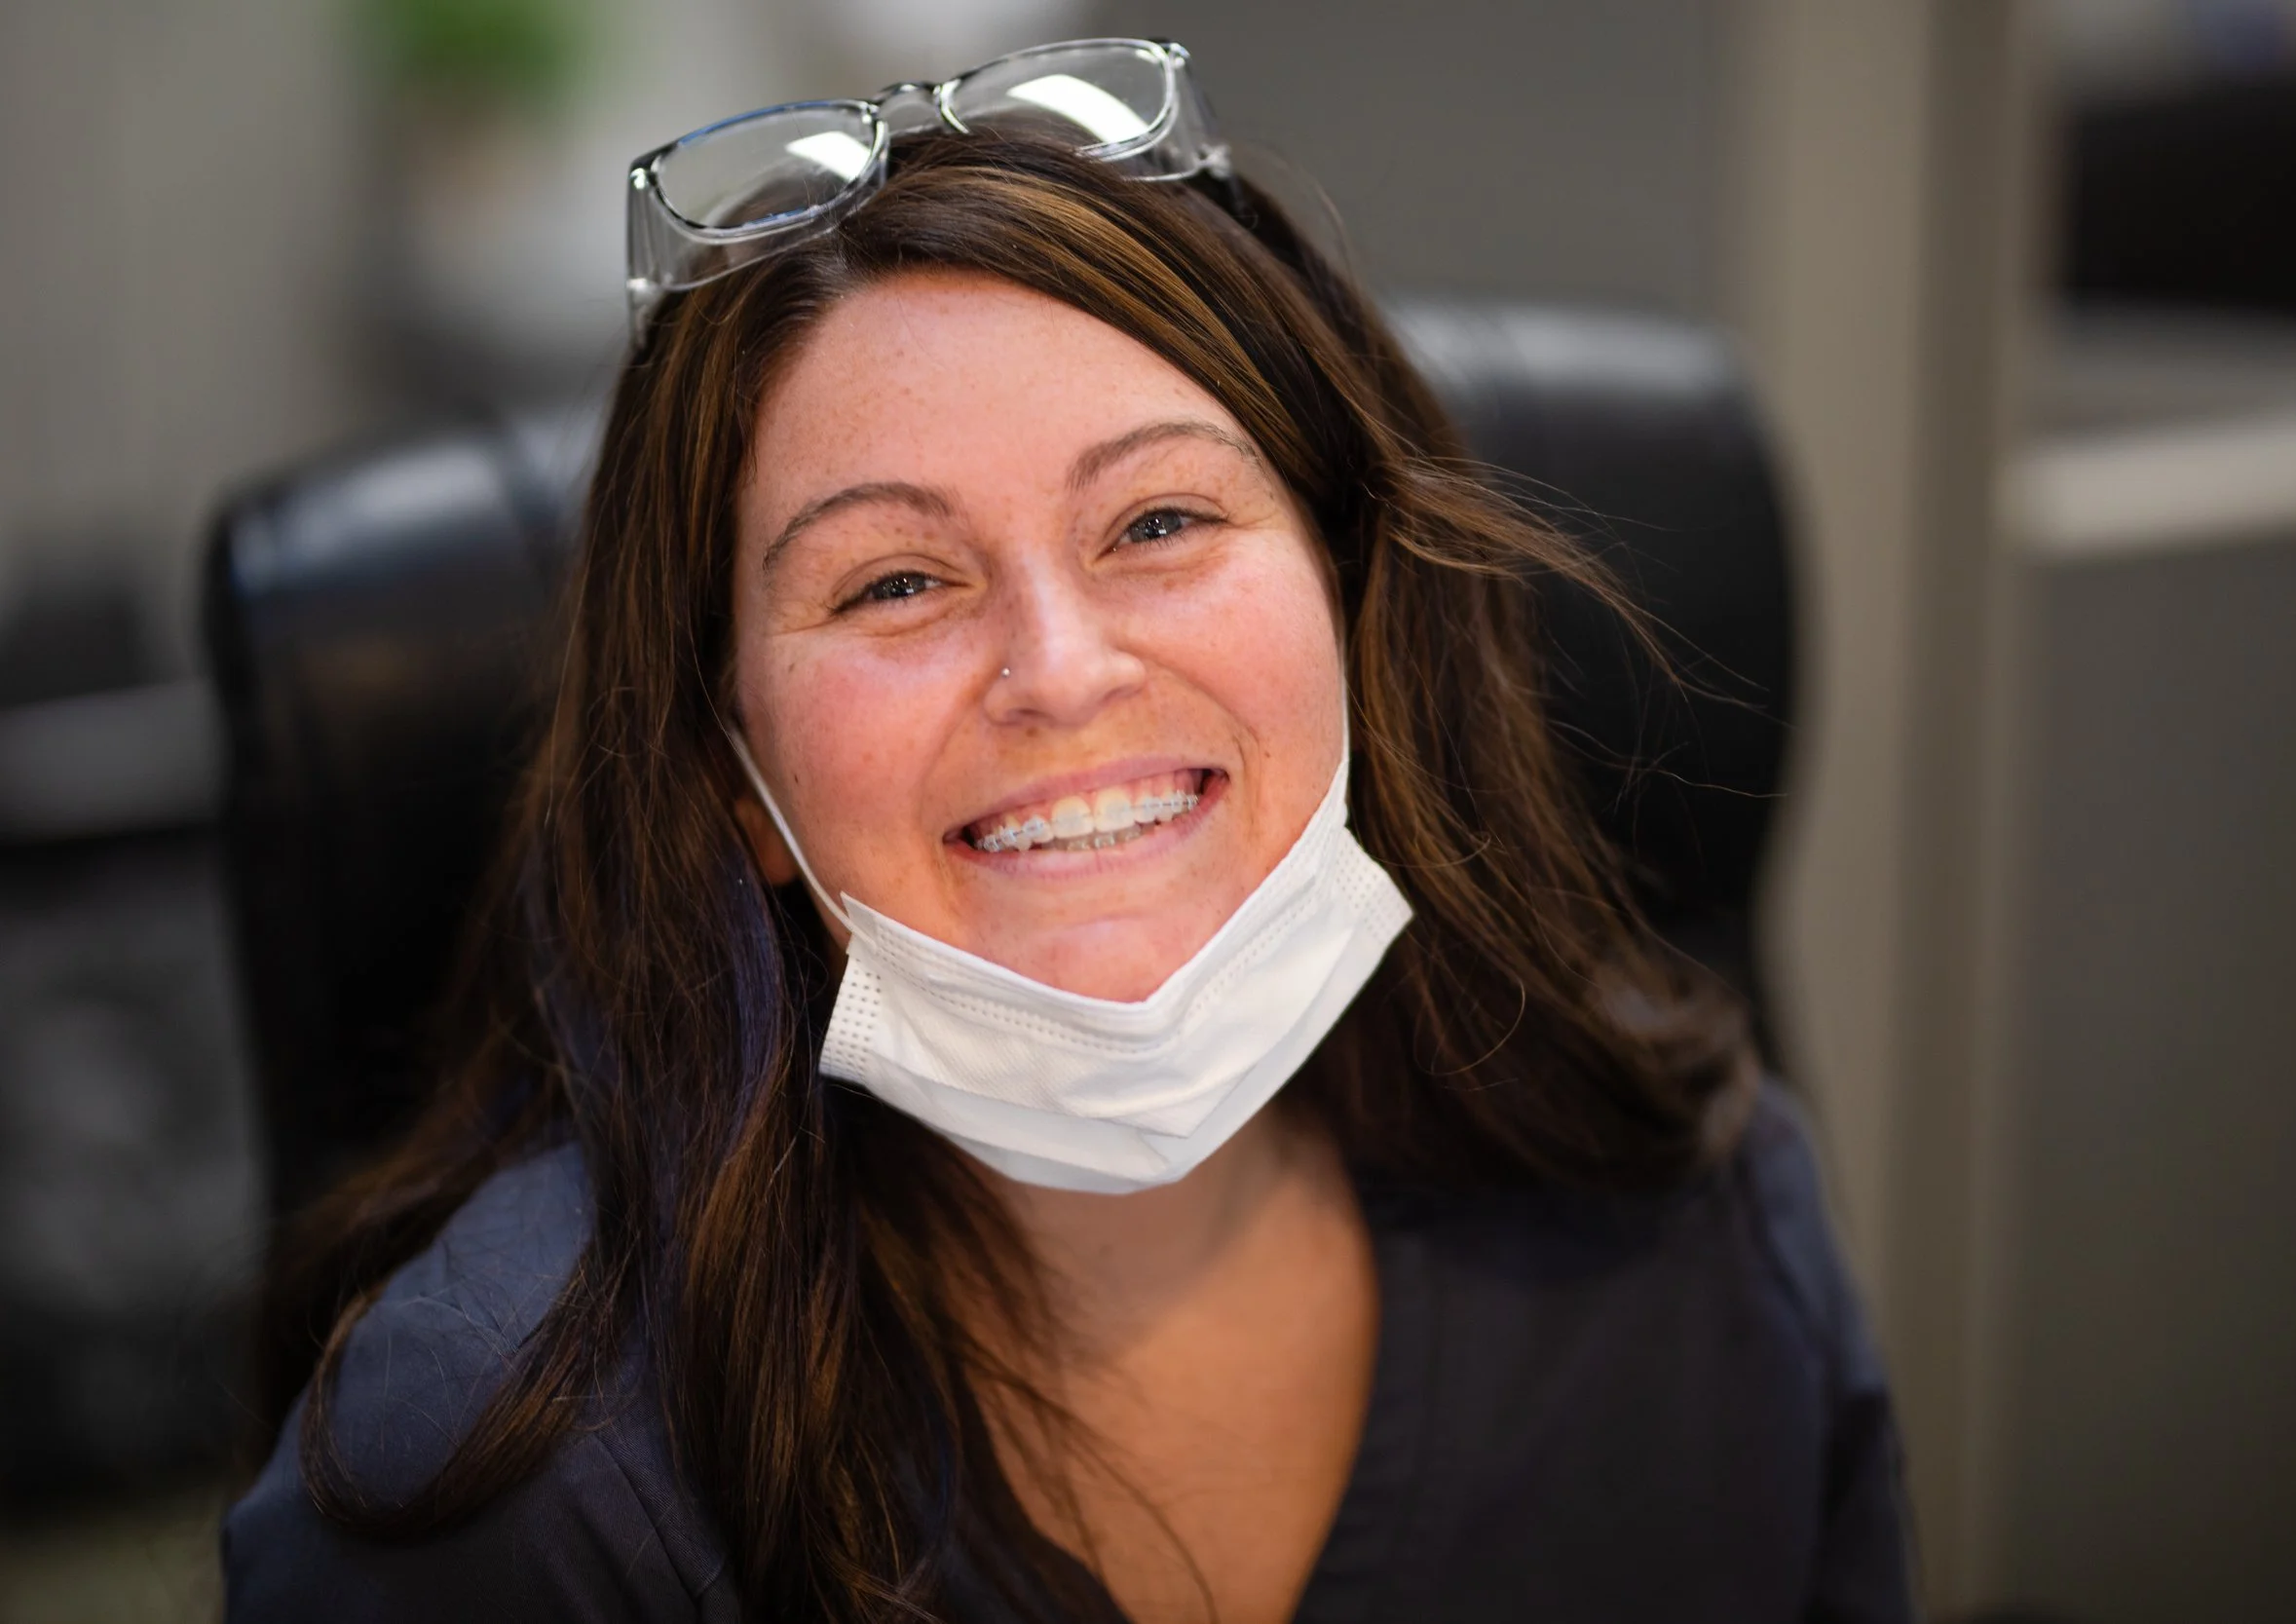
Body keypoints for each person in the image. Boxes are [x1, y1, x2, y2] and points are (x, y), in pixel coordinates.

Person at [223, 38, 1913, 1624]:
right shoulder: (512, 1491)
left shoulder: (1696, 1220)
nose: (1061, 669)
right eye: (895, 580)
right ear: (728, 777)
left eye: (1160, 519)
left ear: (1353, 607)